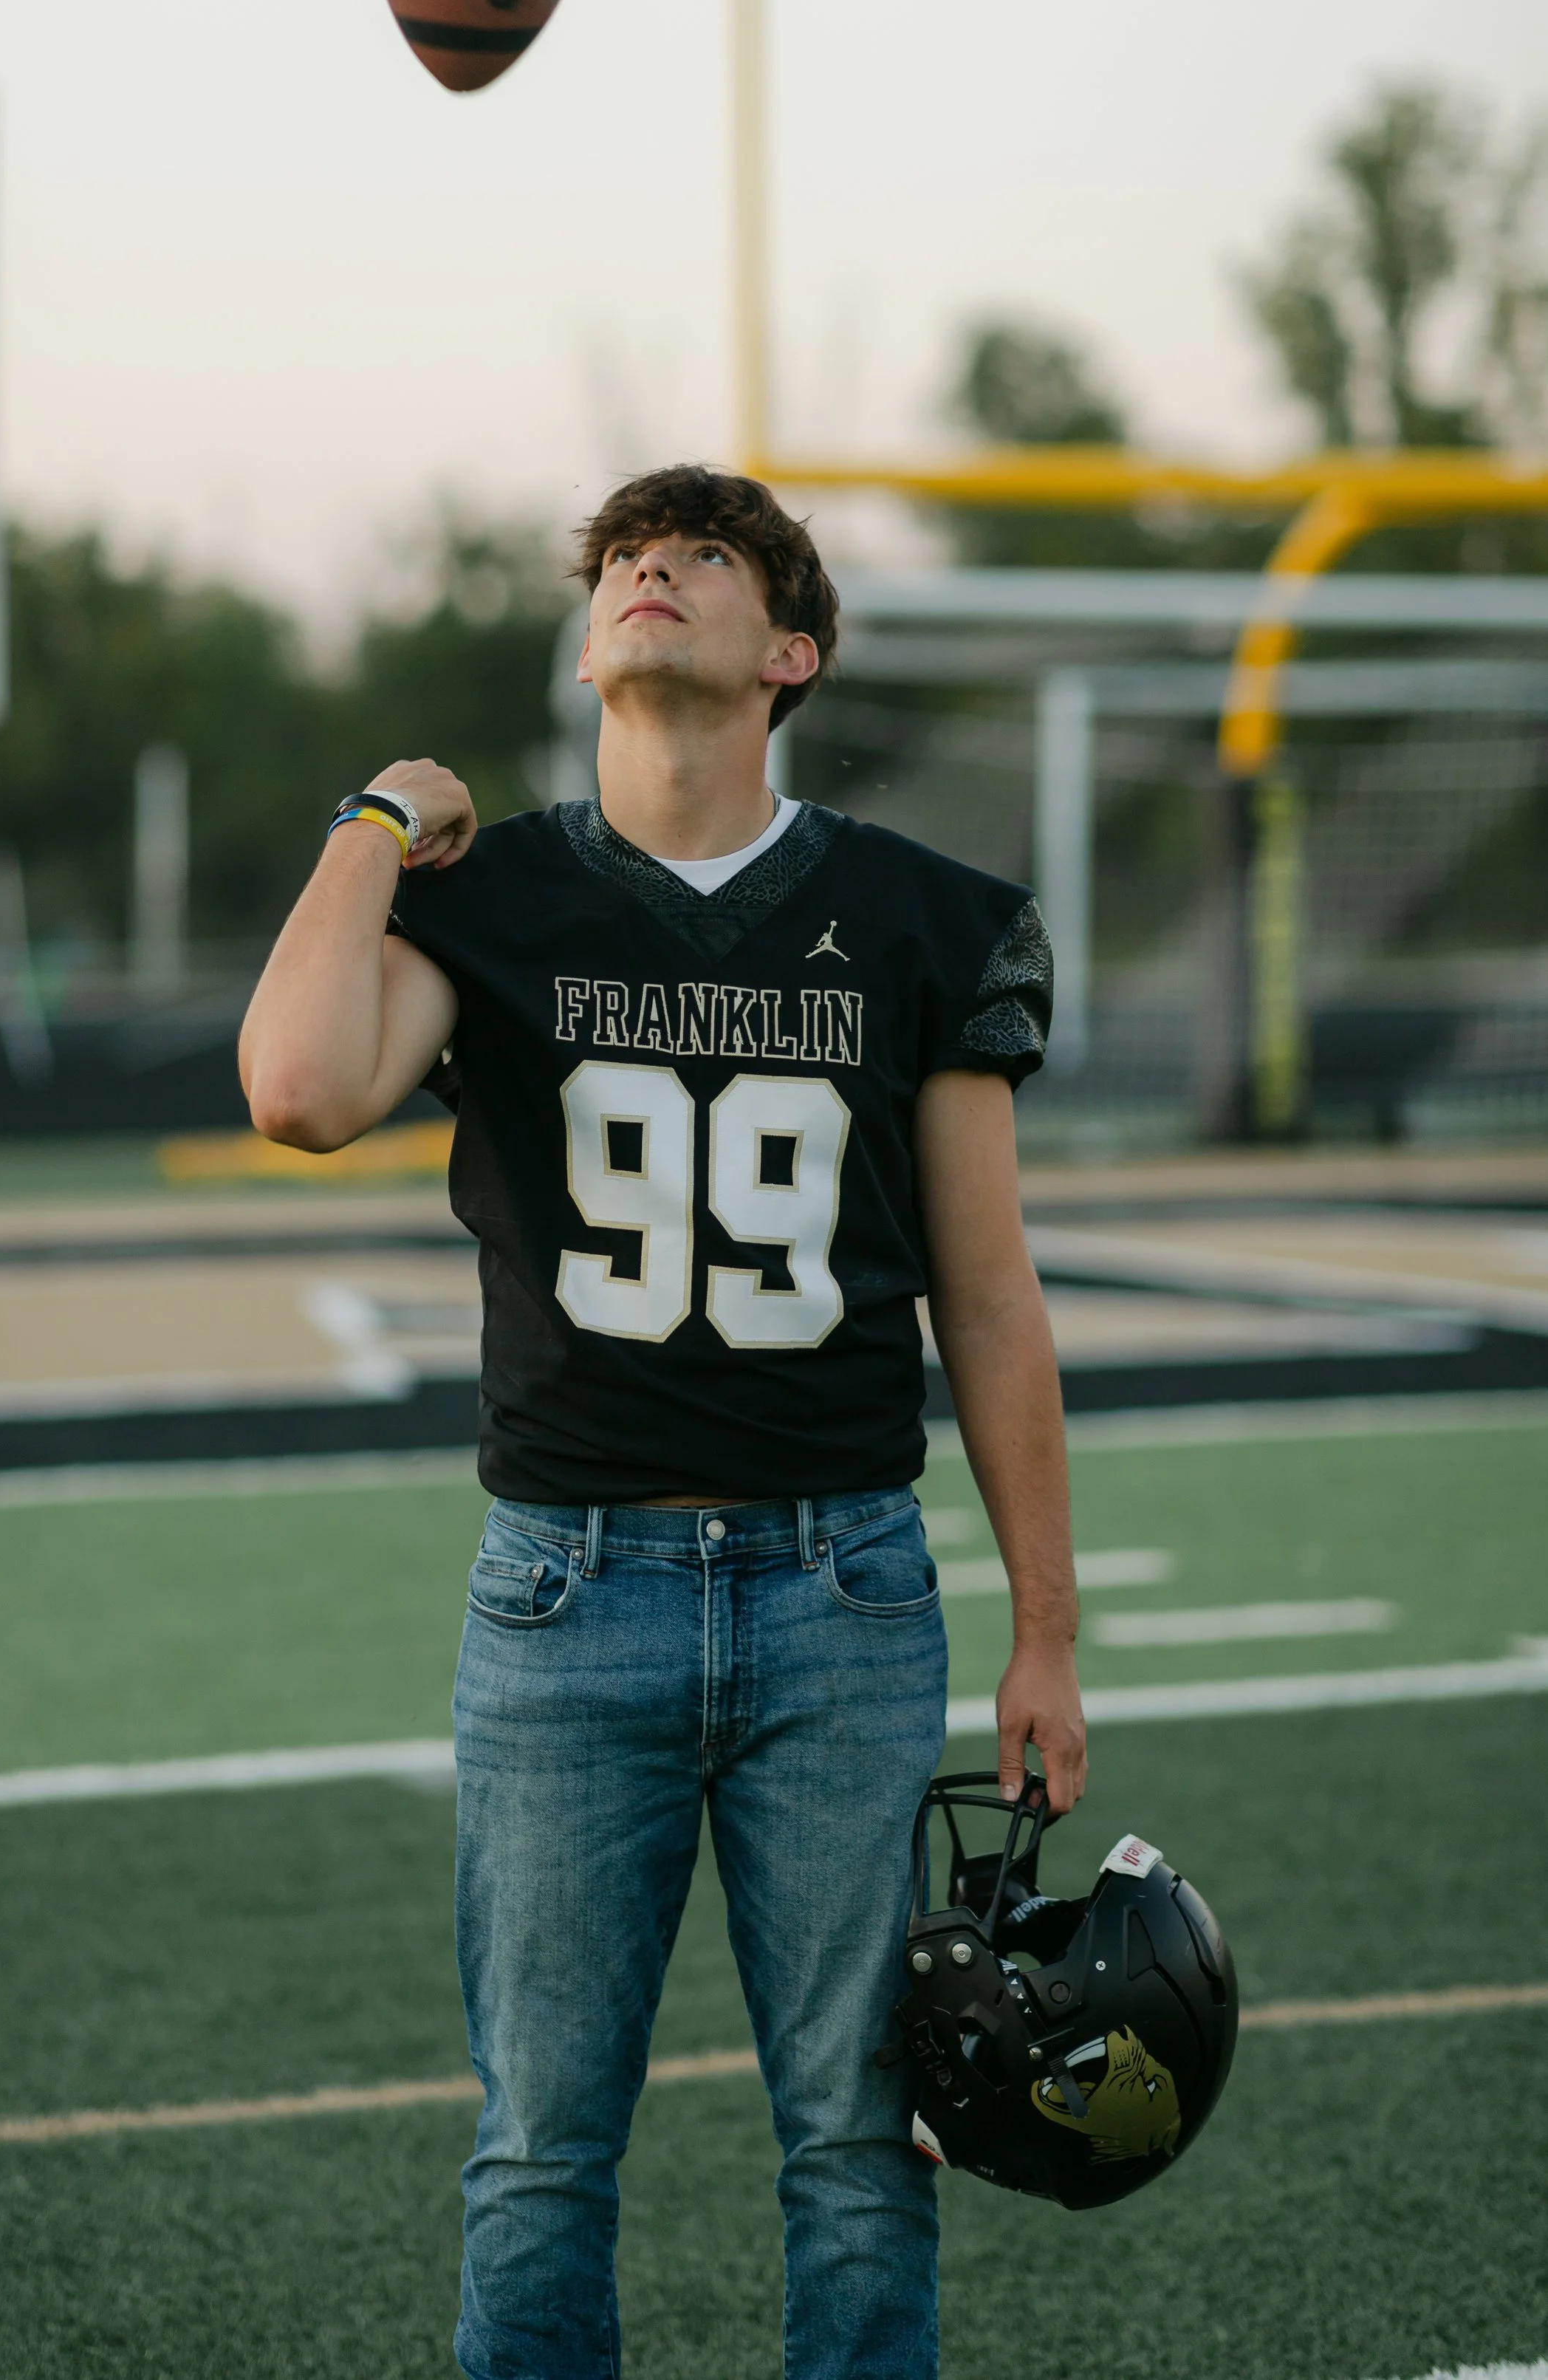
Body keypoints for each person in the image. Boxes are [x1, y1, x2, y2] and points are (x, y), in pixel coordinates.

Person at [239, 464, 1084, 2380]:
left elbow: (990, 1294)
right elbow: (294, 1089)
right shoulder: (494, 893)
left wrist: (1044, 1623)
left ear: (784, 651)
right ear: (587, 627)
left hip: (842, 1590)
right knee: (540, 2149)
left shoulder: (921, 917)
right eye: (624, 553)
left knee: (860, 2147)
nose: (648, 570)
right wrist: (377, 820)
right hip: (566, 1589)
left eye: (701, 556)